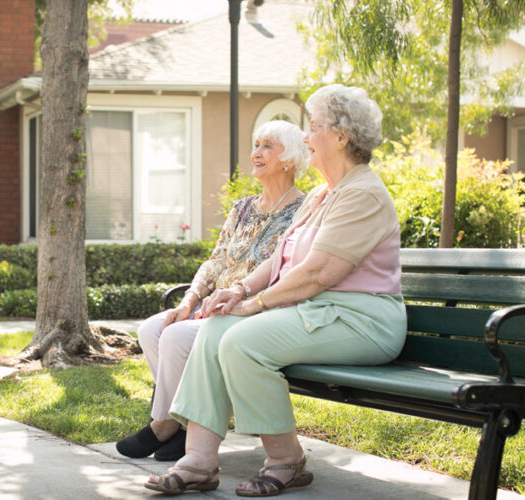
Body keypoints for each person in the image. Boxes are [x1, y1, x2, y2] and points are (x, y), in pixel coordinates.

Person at [143, 84, 407, 496]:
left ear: (340, 137)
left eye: (314, 127)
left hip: (361, 320)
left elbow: (318, 273)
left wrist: (256, 304)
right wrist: (240, 291)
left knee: (242, 340)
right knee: (217, 326)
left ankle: (286, 459)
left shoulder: (363, 194)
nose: (305, 137)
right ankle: (197, 461)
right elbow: (281, 258)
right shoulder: (321, 194)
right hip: (318, 314)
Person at [116, 120, 309, 462]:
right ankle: (188, 423)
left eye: (267, 146)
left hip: (254, 313)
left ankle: (164, 426)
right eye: (256, 144)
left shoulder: (303, 212)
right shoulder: (242, 209)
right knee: (152, 329)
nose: (256, 153)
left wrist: (234, 299)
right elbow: (215, 261)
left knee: (176, 338)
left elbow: (287, 272)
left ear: (289, 160)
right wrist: (189, 300)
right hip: (212, 305)